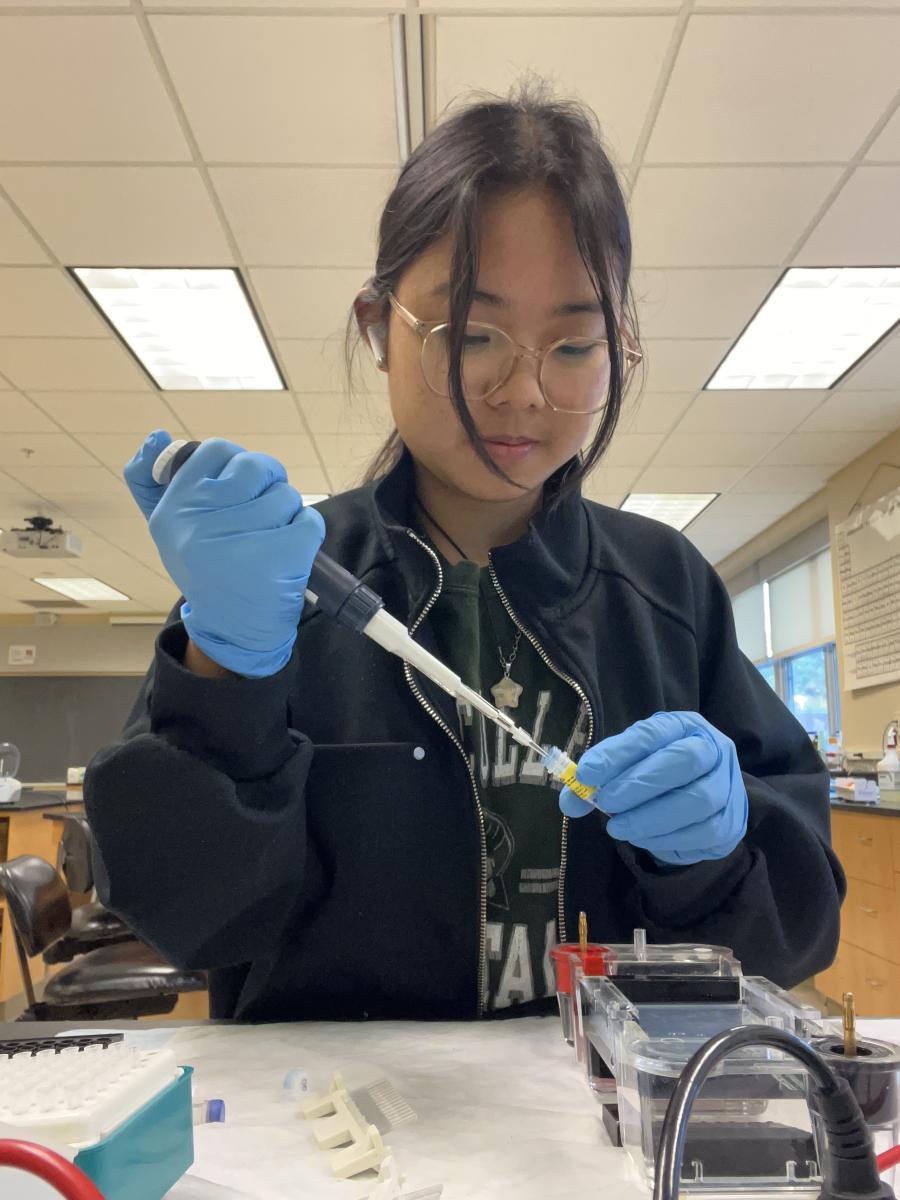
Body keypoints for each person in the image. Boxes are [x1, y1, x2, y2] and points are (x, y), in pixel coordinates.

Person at [85, 86, 844, 1023]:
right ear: (378, 327)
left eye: (575, 344)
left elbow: (791, 939)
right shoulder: (280, 578)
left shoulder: (666, 588)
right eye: (473, 335)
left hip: (597, 1103)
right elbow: (187, 919)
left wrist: (717, 856)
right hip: (326, 1109)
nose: (523, 391)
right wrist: (223, 678)